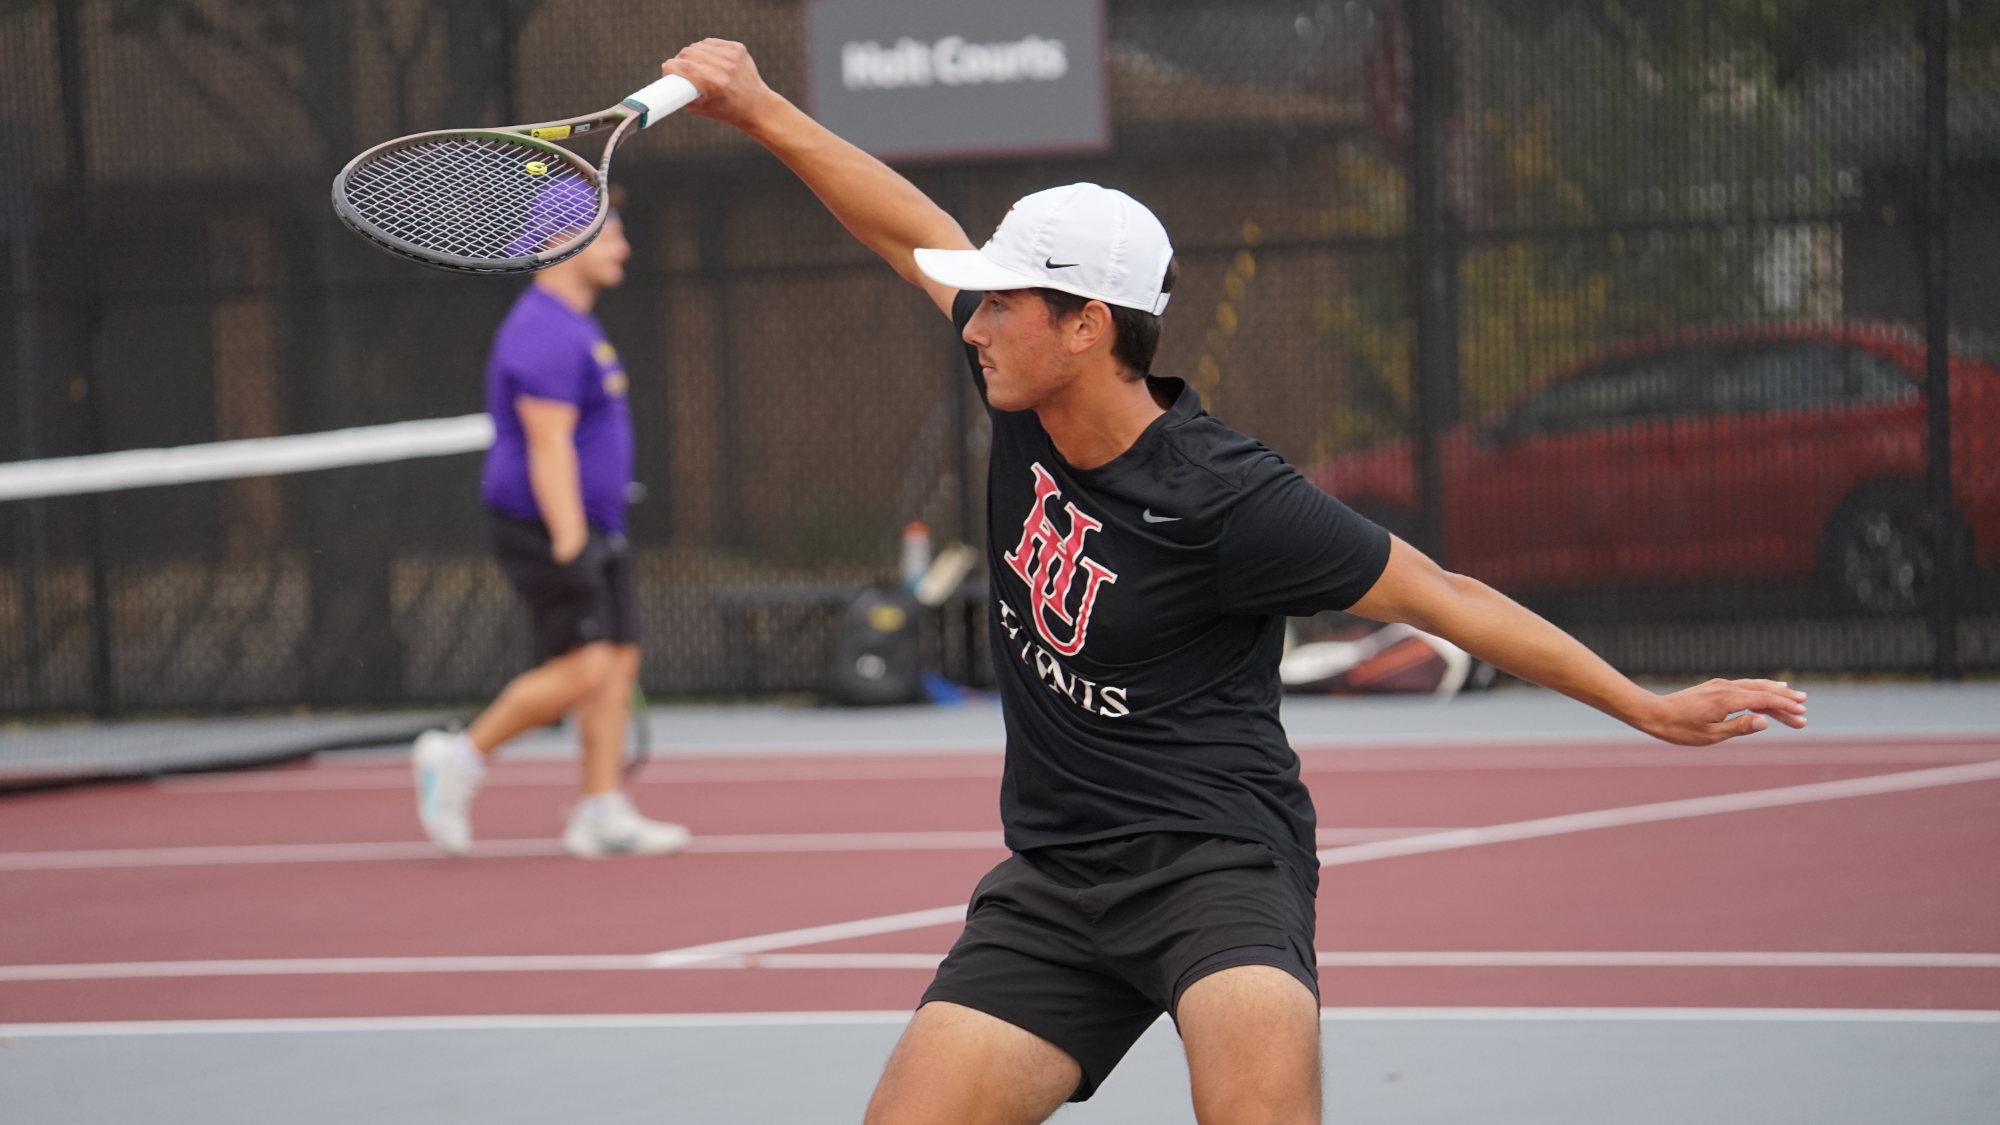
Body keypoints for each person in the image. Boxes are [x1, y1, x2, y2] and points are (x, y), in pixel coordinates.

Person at [662, 40, 1809, 1124]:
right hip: (1057, 877)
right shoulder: (1018, 386)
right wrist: (759, 108)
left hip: (1219, 860)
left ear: (1085, 328)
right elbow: (907, 226)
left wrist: (1646, 705)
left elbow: (1446, 597)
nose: (975, 322)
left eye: (1004, 301)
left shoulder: (1229, 497)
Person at [412, 188, 690, 860]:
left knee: (618, 660)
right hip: (544, 523)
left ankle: (601, 808)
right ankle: (458, 756)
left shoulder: (575, 323)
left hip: (596, 522)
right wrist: (570, 539)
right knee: (588, 664)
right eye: (610, 233)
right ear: (561, 241)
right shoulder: (541, 329)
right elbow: (547, 443)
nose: (623, 245)